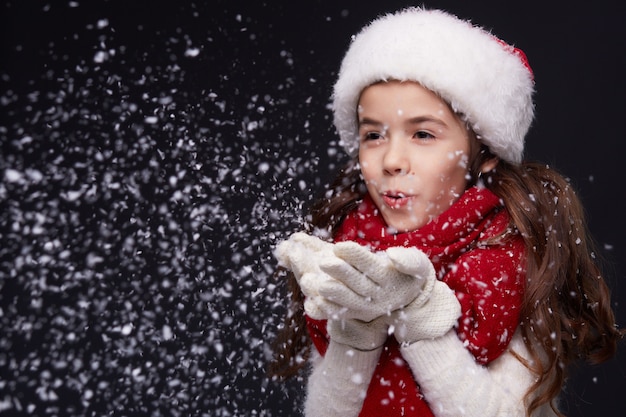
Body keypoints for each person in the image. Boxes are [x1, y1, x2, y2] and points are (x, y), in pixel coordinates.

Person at [268, 7, 623, 417]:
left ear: (484, 154)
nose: (392, 160)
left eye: (423, 134)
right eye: (373, 134)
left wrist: (421, 316)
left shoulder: (506, 258)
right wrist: (356, 332)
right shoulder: (350, 250)